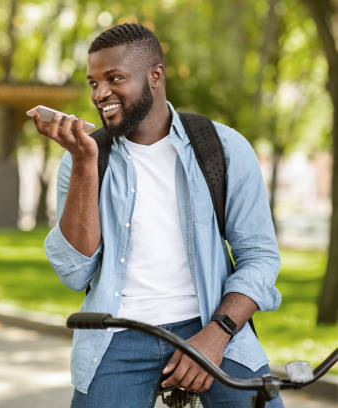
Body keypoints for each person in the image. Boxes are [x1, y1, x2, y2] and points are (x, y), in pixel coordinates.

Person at [32, 23, 283, 408]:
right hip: (119, 333)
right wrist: (84, 162)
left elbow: (260, 258)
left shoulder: (223, 147)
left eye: (114, 79)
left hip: (213, 323)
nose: (100, 94)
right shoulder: (85, 158)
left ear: (155, 75)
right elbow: (73, 272)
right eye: (93, 83)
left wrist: (216, 335)